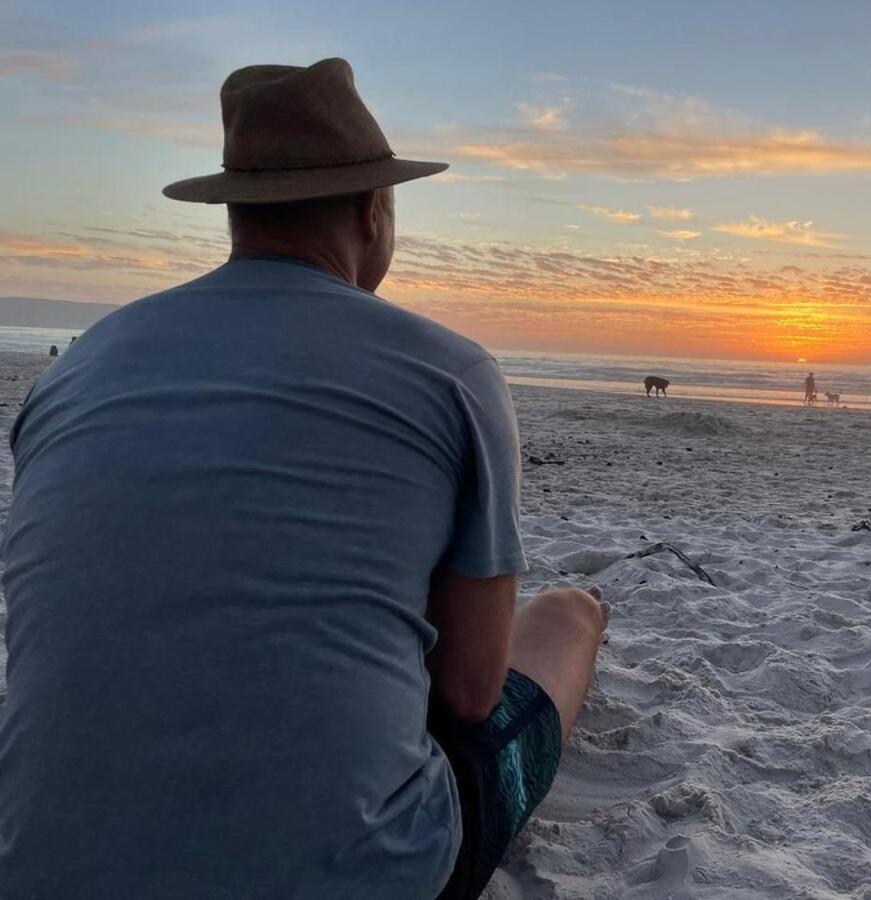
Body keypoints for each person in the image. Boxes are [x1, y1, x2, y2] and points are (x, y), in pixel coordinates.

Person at [0, 59, 605, 900]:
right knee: (567, 614)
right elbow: (470, 693)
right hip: (362, 872)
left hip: (38, 862)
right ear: (373, 209)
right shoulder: (454, 373)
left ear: (234, 211)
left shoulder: (76, 367)